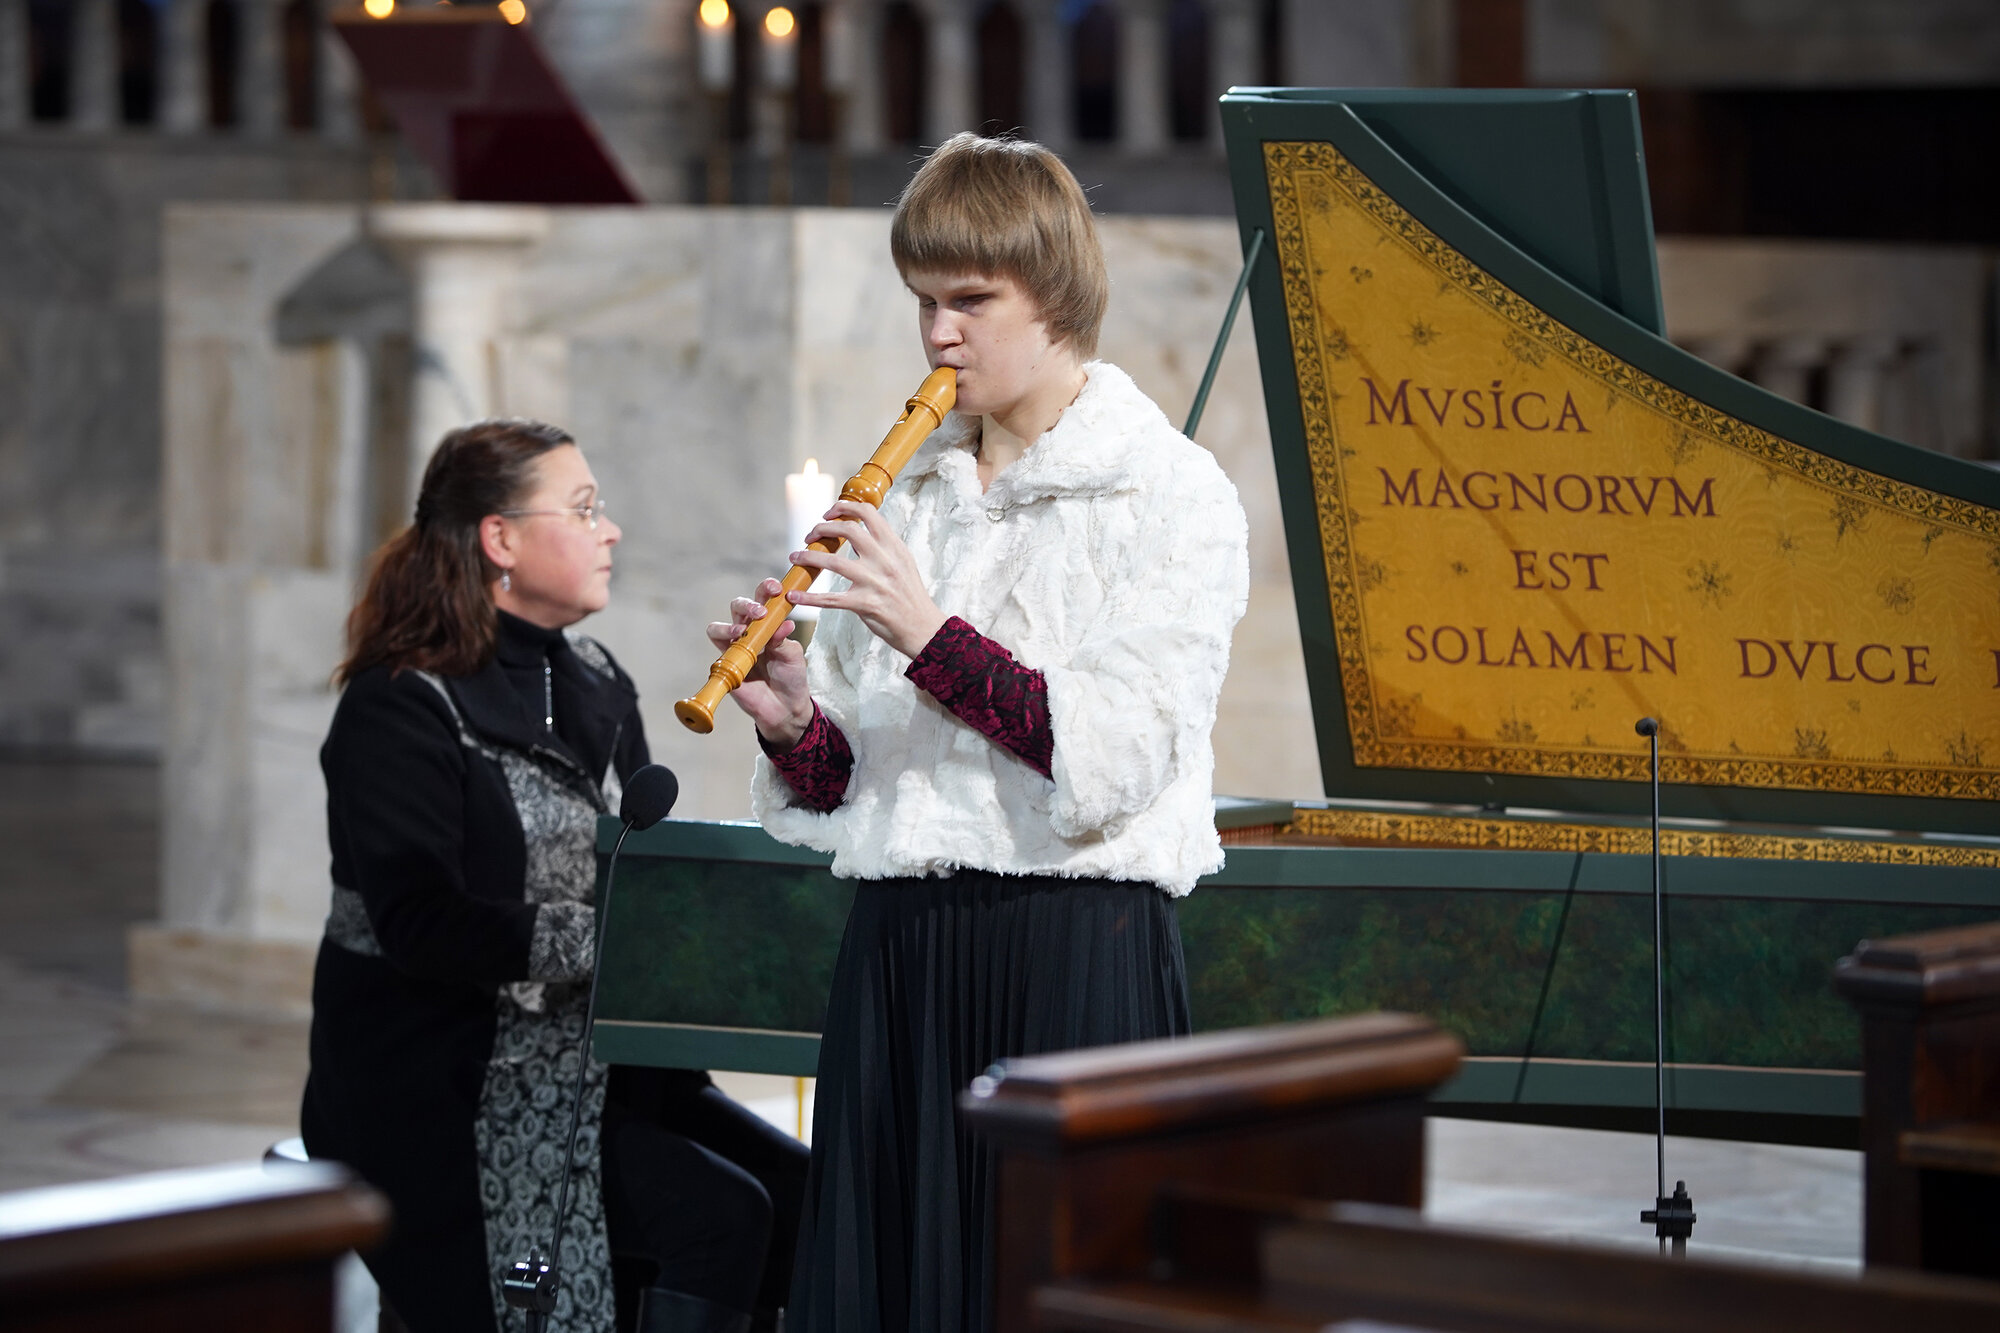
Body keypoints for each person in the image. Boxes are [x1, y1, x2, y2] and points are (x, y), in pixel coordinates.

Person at [709, 134, 1250, 1333]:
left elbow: (1112, 757)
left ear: (1053, 295)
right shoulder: (906, 493)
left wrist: (926, 632)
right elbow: (852, 781)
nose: (937, 334)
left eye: (969, 301)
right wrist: (794, 720)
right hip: (904, 949)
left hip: (1072, 946)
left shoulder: (1171, 494)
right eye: (922, 302)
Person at [304, 419, 808, 1333]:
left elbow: (638, 871)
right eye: (582, 509)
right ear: (499, 539)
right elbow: (420, 922)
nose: (610, 530)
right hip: (442, 1085)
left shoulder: (598, 682)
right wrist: (614, 938)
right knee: (721, 1217)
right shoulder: (399, 705)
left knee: (806, 1197)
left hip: (593, 1065)